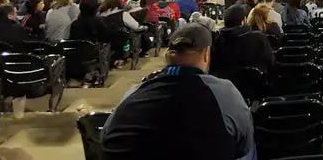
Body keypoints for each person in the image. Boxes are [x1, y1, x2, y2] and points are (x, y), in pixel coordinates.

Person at [101, 24, 255, 160]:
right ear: (206, 54)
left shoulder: (135, 92)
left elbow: (105, 137)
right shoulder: (224, 92)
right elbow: (243, 145)